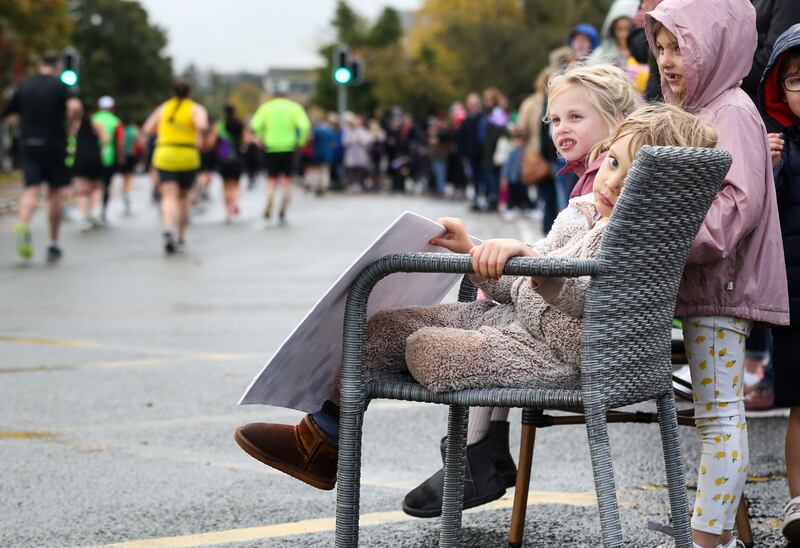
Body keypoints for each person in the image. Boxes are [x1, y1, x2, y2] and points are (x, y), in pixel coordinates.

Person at [232, 104, 718, 507]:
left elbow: (579, 296)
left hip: (557, 356)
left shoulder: (636, 236)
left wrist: (531, 265)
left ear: (657, 191)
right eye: (613, 163)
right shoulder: (583, 210)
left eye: (631, 178)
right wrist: (474, 250)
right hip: (515, 322)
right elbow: (522, 284)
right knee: (379, 327)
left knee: (427, 349)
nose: (611, 182)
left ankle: (470, 457)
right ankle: (319, 441)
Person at [402, 63, 640, 517]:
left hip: (573, 337)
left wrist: (502, 260)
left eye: (576, 117)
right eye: (554, 120)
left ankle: (474, 452)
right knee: (489, 298)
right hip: (565, 322)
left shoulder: (606, 183)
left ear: (615, 120)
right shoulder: (591, 175)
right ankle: (486, 450)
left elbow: (568, 277)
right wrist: (480, 249)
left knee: (488, 315)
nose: (560, 129)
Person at [645, 2, 791, 547]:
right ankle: (718, 532)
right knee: (715, 416)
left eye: (679, 45)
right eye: (660, 48)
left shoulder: (729, 111)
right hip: (708, 287)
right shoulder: (700, 110)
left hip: (723, 288)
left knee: (720, 418)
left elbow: (735, 207)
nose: (666, 60)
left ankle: (711, 538)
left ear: (718, 44)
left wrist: (666, 235)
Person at [757, 23, 800, 543]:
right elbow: (759, 213)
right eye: (795, 80)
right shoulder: (779, 147)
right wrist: (767, 168)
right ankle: (797, 500)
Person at [1, 52, 81, 262]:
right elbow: (74, 107)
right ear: (57, 68)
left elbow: (8, 115)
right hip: (54, 145)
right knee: (55, 193)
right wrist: (72, 126)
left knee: (31, 189)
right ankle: (53, 243)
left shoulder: (24, 87)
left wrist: (21, 125)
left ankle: (23, 224)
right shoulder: (60, 86)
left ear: (39, 65)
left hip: (29, 144)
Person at [143, 80, 209, 254]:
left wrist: (163, 130)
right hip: (187, 155)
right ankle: (180, 236)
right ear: (190, 92)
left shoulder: (163, 108)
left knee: (168, 196)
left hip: (165, 154)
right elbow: (202, 125)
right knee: (184, 197)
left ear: (172, 93)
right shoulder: (195, 108)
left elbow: (147, 128)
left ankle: (167, 228)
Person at [250, 89, 311, 225]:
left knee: (271, 179)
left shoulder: (266, 107)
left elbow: (255, 125)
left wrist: (261, 137)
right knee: (287, 181)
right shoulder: (294, 107)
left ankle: (270, 197)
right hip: (289, 148)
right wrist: (300, 140)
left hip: (270, 147)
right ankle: (282, 211)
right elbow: (305, 125)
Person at [588, 0, 649, 93]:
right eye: (620, 29)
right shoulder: (600, 56)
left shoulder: (645, 54)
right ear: (613, 30)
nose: (624, 34)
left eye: (627, 28)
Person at [70, 102, 109, 231]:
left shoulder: (75, 125)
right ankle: (94, 213)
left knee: (82, 190)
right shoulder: (95, 124)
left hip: (80, 158)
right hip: (94, 157)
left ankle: (83, 217)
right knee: (96, 187)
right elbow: (106, 139)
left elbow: (70, 139)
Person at [208, 104, 245, 223]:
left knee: (225, 185)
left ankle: (227, 213)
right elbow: (247, 141)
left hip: (223, 159)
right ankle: (234, 201)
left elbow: (211, 142)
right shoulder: (240, 124)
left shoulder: (219, 126)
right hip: (237, 158)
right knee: (235, 184)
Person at [92, 95, 123, 224]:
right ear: (112, 107)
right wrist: (120, 156)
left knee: (92, 185)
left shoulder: (93, 118)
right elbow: (120, 141)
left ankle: (91, 212)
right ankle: (102, 212)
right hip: (108, 157)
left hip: (92, 156)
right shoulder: (115, 121)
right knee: (106, 185)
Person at [306, 110, 335, 196]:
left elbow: (310, 139)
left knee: (316, 169)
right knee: (325, 169)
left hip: (317, 152)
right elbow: (332, 142)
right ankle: (324, 186)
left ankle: (315, 186)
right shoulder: (329, 130)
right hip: (327, 153)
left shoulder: (316, 130)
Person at [342, 114, 373, 192]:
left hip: (360, 152)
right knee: (351, 169)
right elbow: (344, 141)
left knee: (359, 169)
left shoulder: (363, 130)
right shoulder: (349, 130)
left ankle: (358, 184)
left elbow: (368, 140)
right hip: (351, 152)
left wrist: (360, 139)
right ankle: (351, 184)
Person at [119, 118, 141, 215]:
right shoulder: (134, 130)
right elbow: (139, 143)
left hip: (123, 155)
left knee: (124, 177)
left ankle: (124, 191)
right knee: (129, 176)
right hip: (132, 156)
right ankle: (127, 192)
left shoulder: (122, 130)